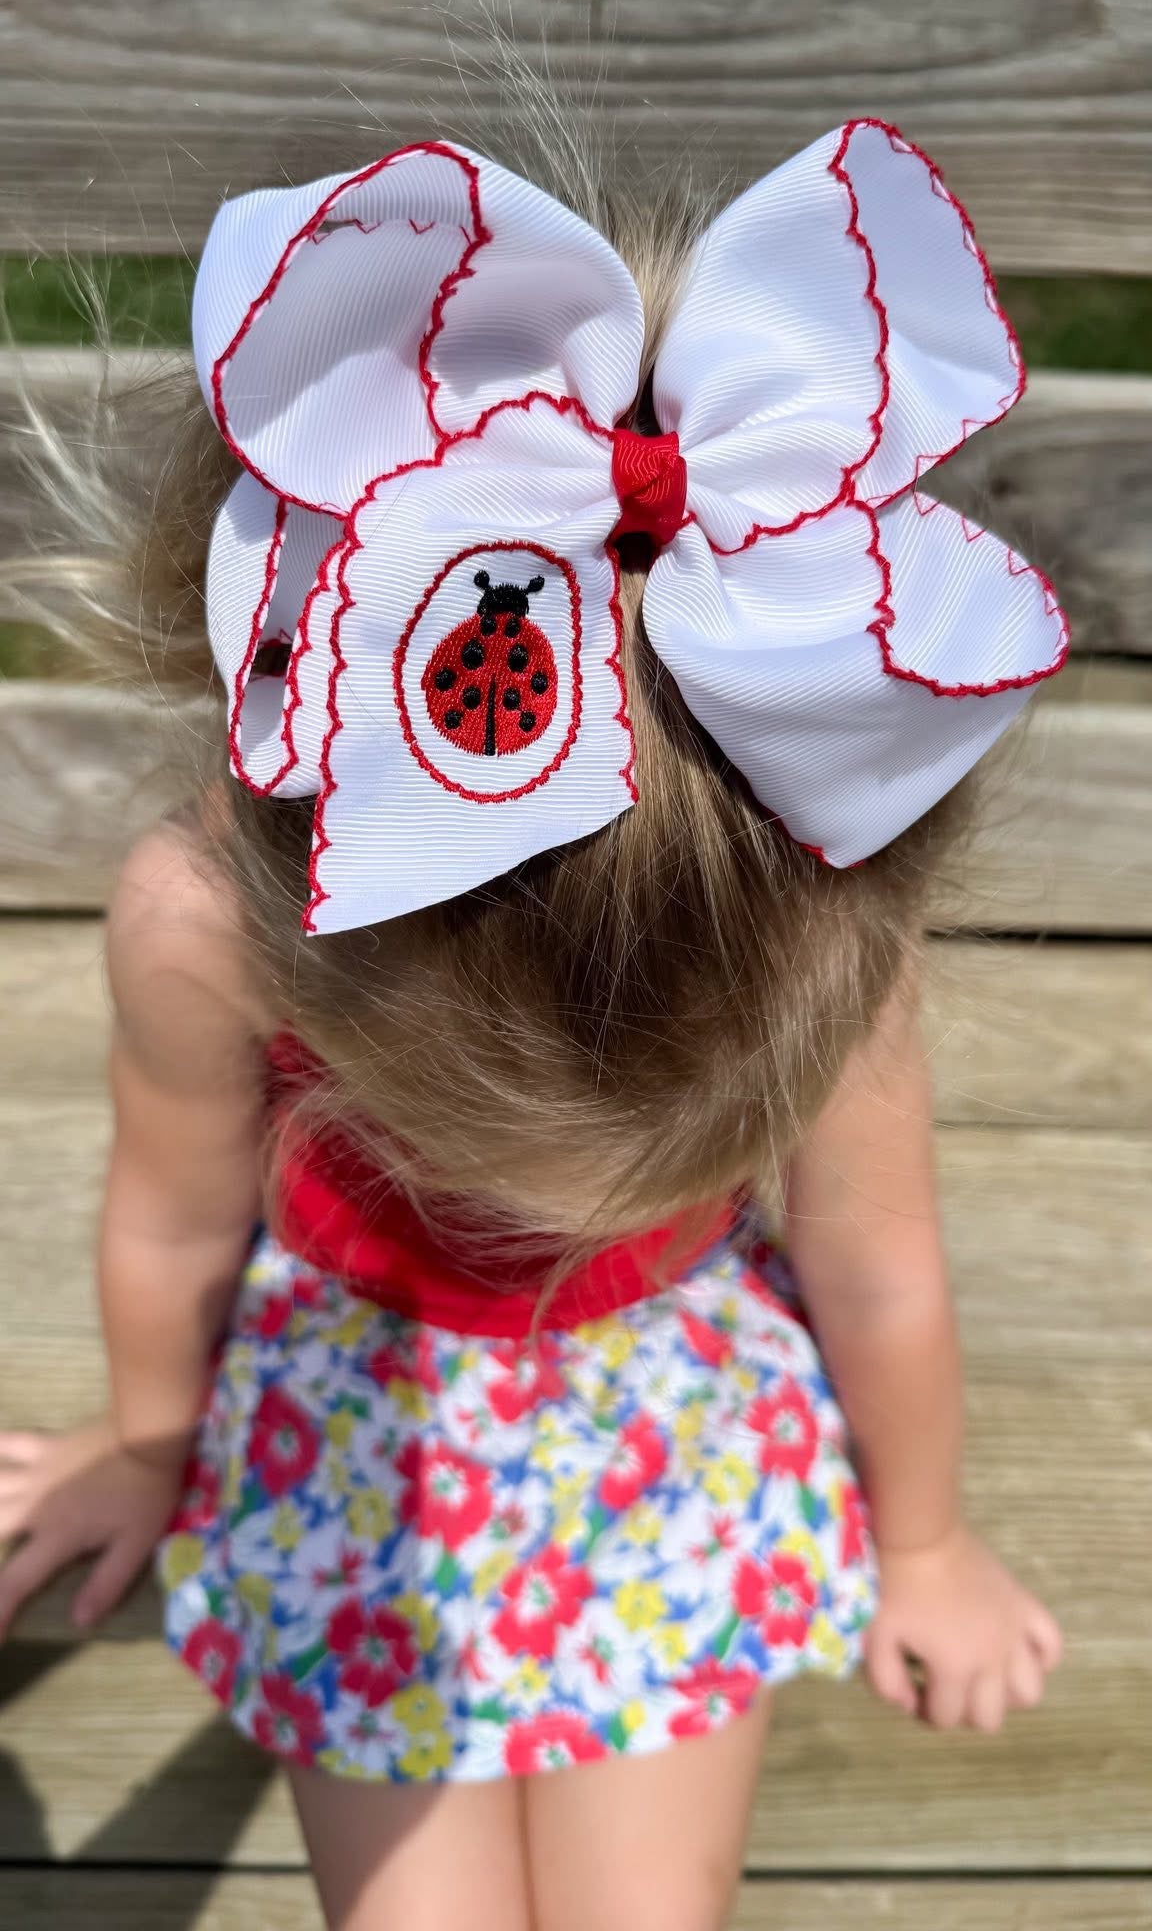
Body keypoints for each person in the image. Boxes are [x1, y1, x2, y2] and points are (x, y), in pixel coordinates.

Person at [0, 110, 1067, 1931]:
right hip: (356, 1421)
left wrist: (932, 1540)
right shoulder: (205, 925)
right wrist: (151, 1444)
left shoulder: (807, 916)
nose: (533, 1223)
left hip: (671, 1428)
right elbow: (174, 1212)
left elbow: (878, 1268)